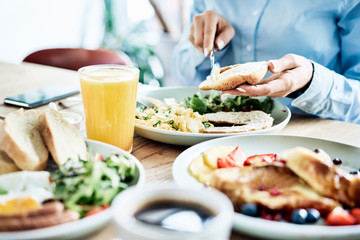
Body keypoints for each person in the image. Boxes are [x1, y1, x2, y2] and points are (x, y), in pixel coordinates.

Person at [171, 0, 360, 123]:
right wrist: (206, 46)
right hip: (215, 134)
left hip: (311, 141)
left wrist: (312, 81)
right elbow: (181, 73)